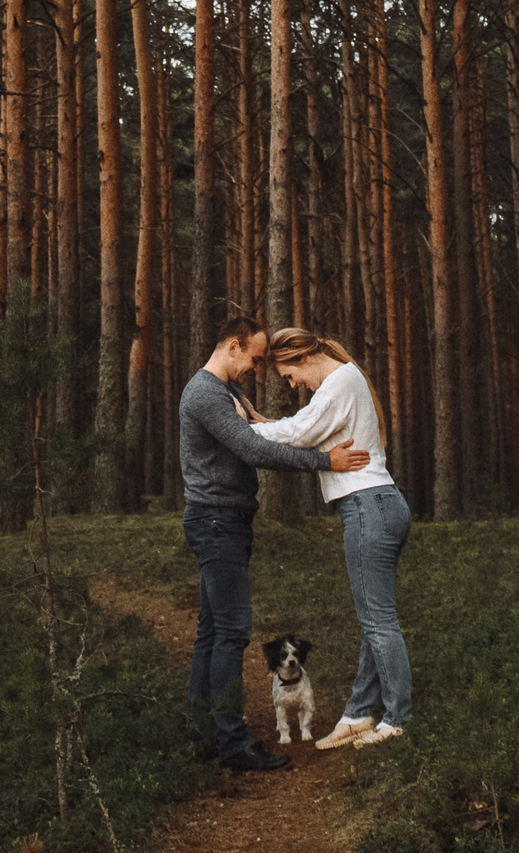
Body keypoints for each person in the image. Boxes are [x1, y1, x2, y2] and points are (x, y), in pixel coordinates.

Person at [179, 315, 370, 772]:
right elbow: (253, 449)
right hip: (216, 522)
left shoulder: (230, 394)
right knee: (231, 633)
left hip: (226, 521)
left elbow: (267, 430)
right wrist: (326, 461)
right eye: (255, 358)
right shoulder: (206, 393)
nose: (256, 368)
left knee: (211, 632)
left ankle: (203, 734)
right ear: (233, 345)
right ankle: (232, 744)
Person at [245, 326, 410, 749]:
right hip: (375, 505)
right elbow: (302, 427)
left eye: (288, 375)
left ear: (299, 358)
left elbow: (299, 435)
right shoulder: (343, 381)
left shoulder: (337, 382)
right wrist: (266, 425)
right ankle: (359, 712)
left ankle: (396, 720)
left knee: (379, 621)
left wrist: (242, 430)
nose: (293, 384)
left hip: (366, 506)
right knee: (372, 619)